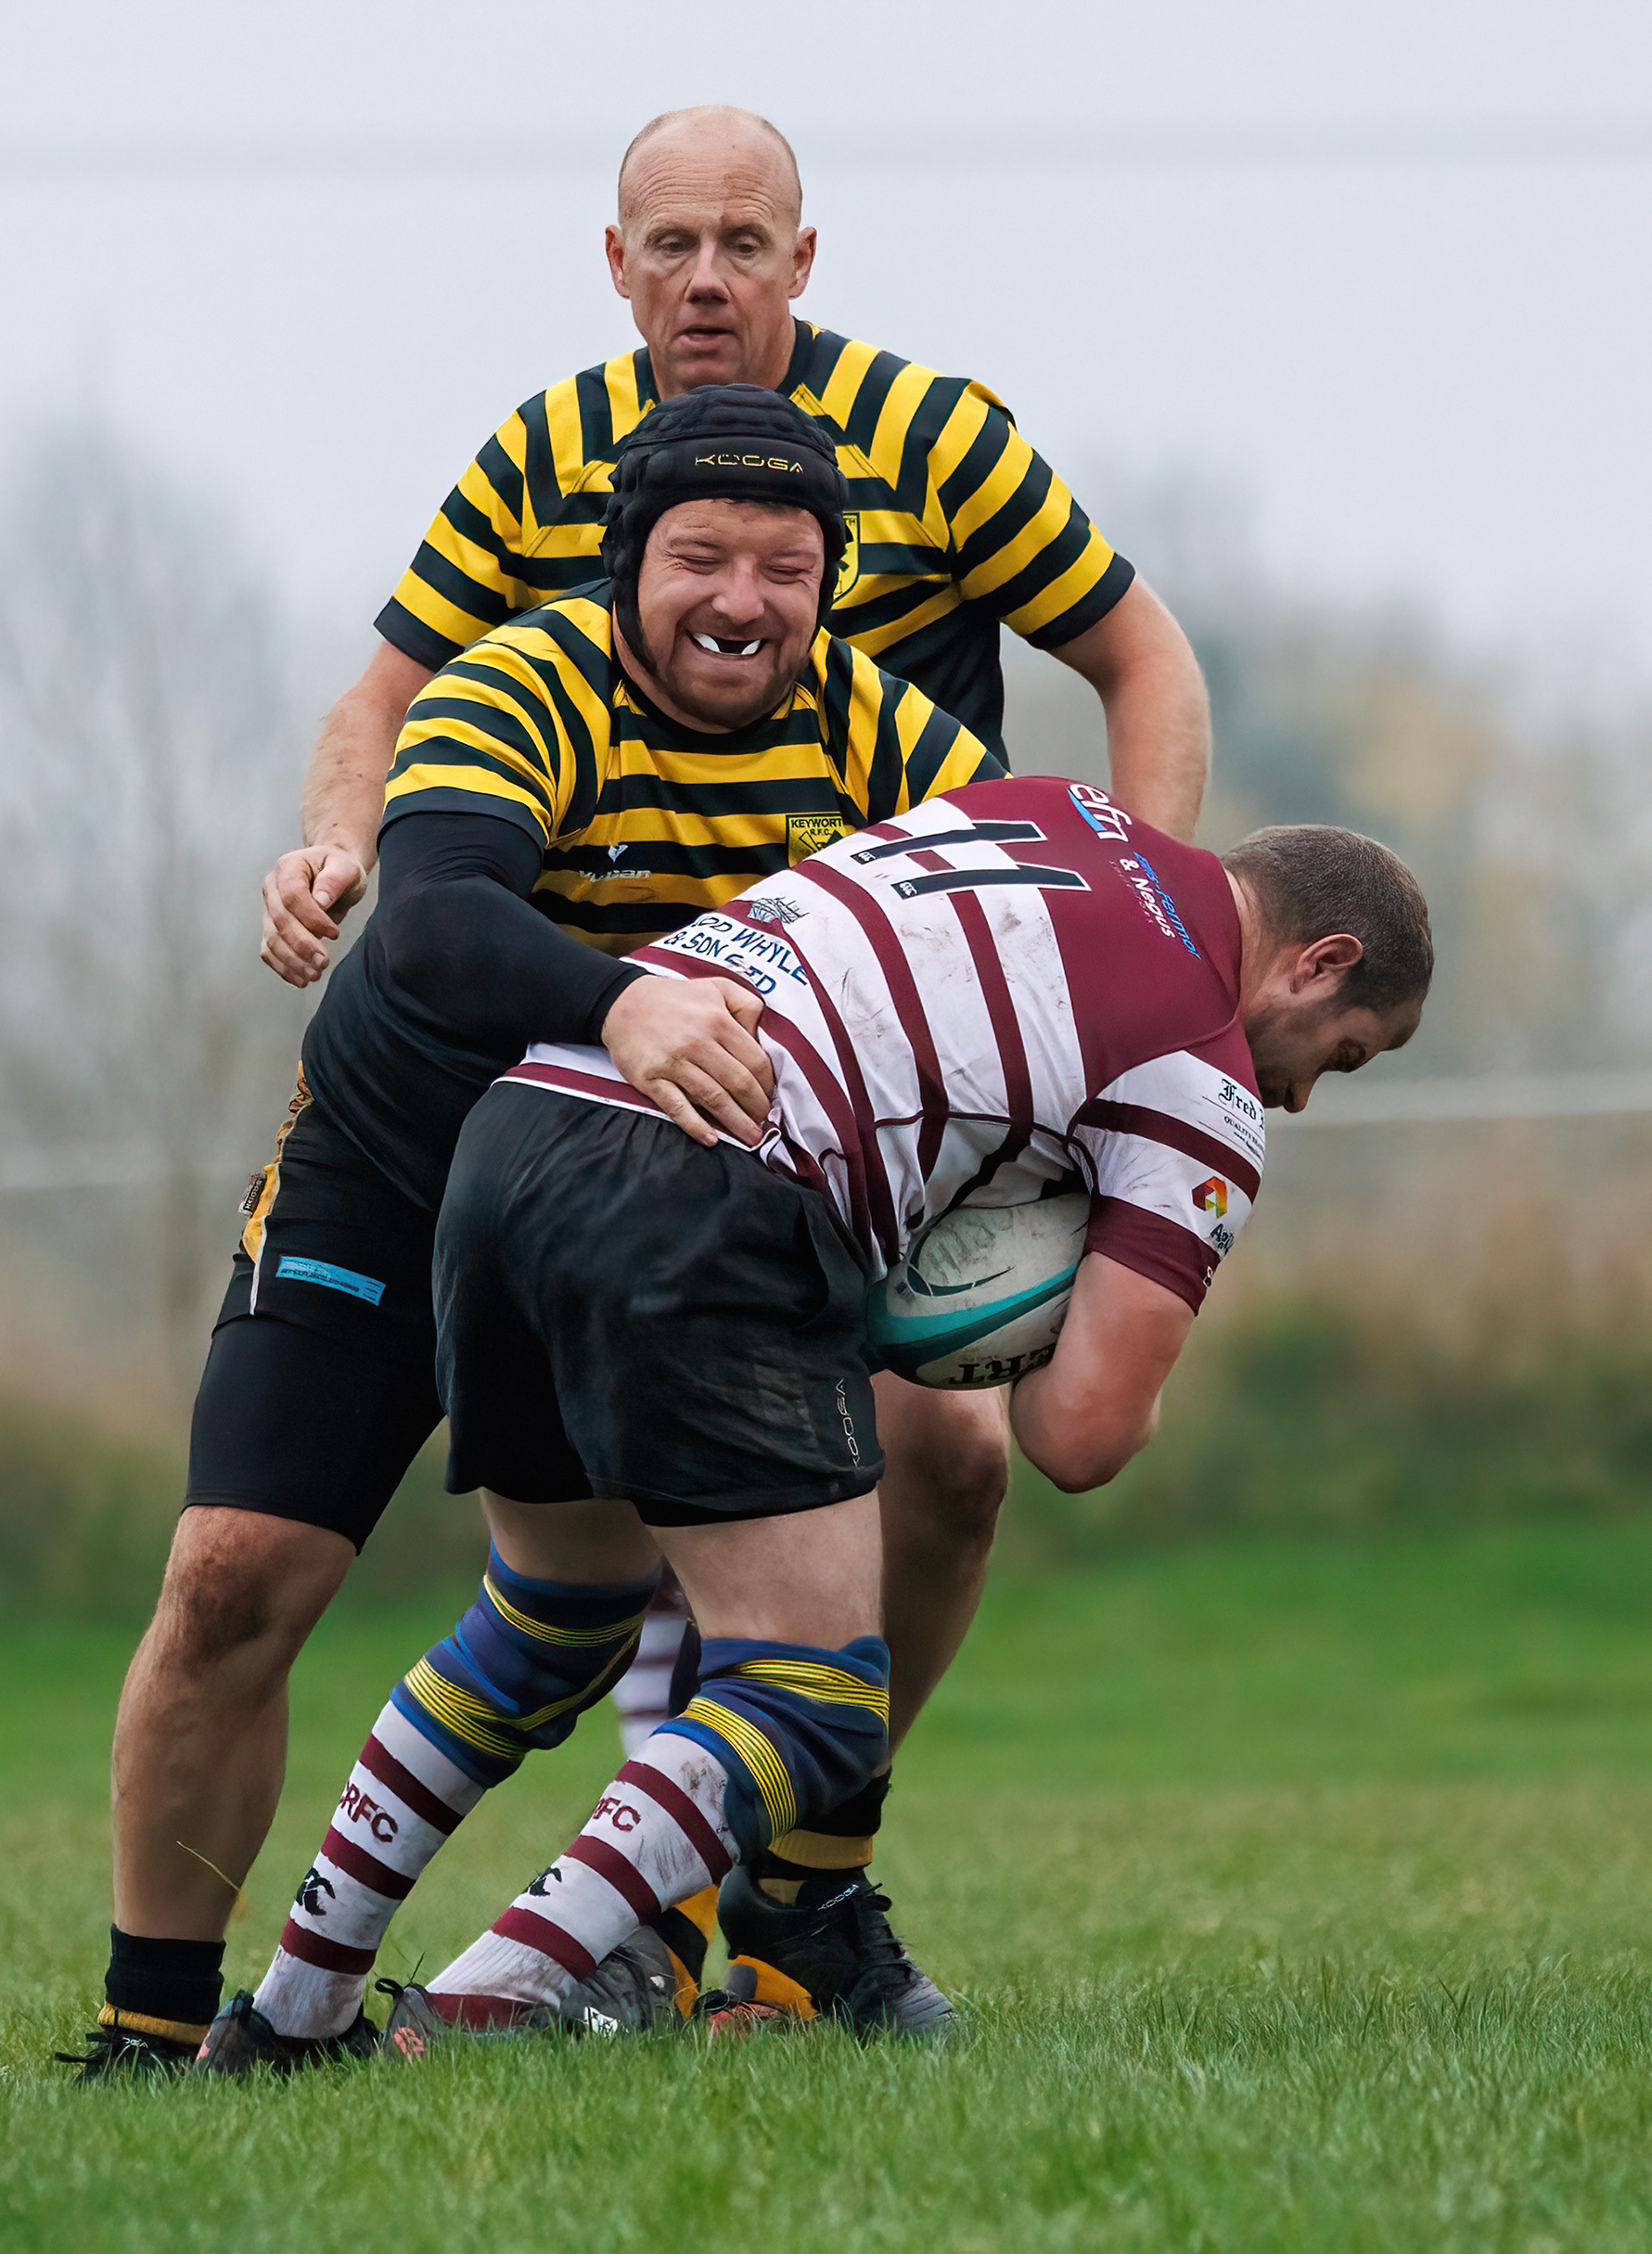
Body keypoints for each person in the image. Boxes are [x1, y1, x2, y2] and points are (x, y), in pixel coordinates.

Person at [79, 98, 1210, 2077]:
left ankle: (768, 1922)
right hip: (434, 1125)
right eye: (700, 558)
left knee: (855, 1506)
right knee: (245, 1570)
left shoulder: (897, 675)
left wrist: (1133, 1038)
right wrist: (379, 868)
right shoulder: (529, 637)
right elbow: (424, 854)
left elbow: (1090, 783)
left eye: (786, 566)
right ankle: (156, 2032)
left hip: (703, 1147)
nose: (743, 599)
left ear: (802, 259)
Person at [193, 780, 1432, 2069]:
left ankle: (290, 2014)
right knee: (817, 1695)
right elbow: (1082, 1435)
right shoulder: (1202, 1077)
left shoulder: (1055, 808)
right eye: (1343, 1054)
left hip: (523, 1126)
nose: (1301, 1096)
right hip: (707, 1192)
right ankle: (490, 1997)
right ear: (1321, 960)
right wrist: (1060, 1281)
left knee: (547, 1617)